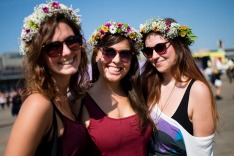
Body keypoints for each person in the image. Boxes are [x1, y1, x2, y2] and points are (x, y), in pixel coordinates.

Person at [5, 1, 90, 155]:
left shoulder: (67, 100)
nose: (66, 52)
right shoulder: (39, 104)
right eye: (53, 47)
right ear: (40, 57)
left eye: (72, 41)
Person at [139, 18, 218, 155]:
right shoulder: (146, 84)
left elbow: (202, 153)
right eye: (148, 51)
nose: (155, 56)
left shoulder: (197, 90)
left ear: (178, 45)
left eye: (160, 48)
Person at [80, 21, 155, 155]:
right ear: (96, 54)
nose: (117, 60)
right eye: (109, 52)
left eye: (125, 54)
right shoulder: (79, 102)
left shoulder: (139, 93)